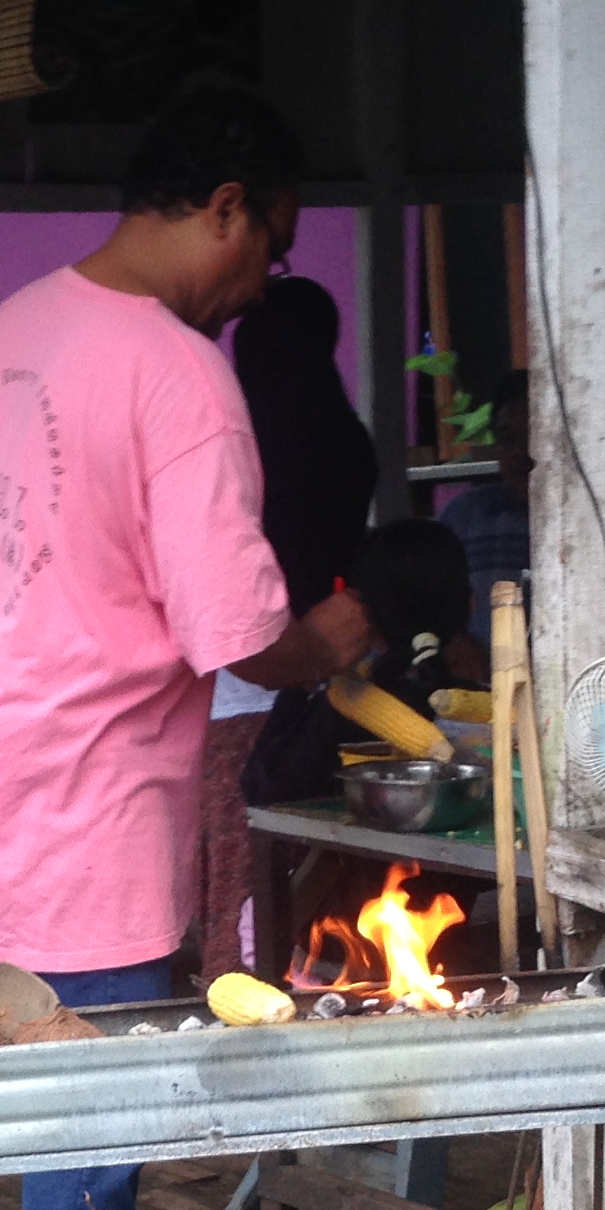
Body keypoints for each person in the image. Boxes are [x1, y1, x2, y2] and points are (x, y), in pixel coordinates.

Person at [0, 85, 377, 1210]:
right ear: (223, 207)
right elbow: (234, 631)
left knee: (68, 1069)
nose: (268, 278)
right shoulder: (179, 371)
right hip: (85, 774)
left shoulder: (24, 320)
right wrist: (335, 636)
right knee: (89, 1112)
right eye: (273, 244)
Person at [200, 273, 376, 981]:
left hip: (242, 677)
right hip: (336, 672)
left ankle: (226, 985)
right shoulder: (350, 441)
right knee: (314, 866)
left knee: (233, 870)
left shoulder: (235, 446)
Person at [243, 517, 485, 807]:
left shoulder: (342, 708)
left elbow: (261, 786)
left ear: (362, 617)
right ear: (470, 604)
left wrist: (305, 673)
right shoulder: (494, 706)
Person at [439, 367, 531, 637]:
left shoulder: (593, 520)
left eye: (534, 436)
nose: (521, 453)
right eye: (508, 438)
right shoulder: (466, 518)